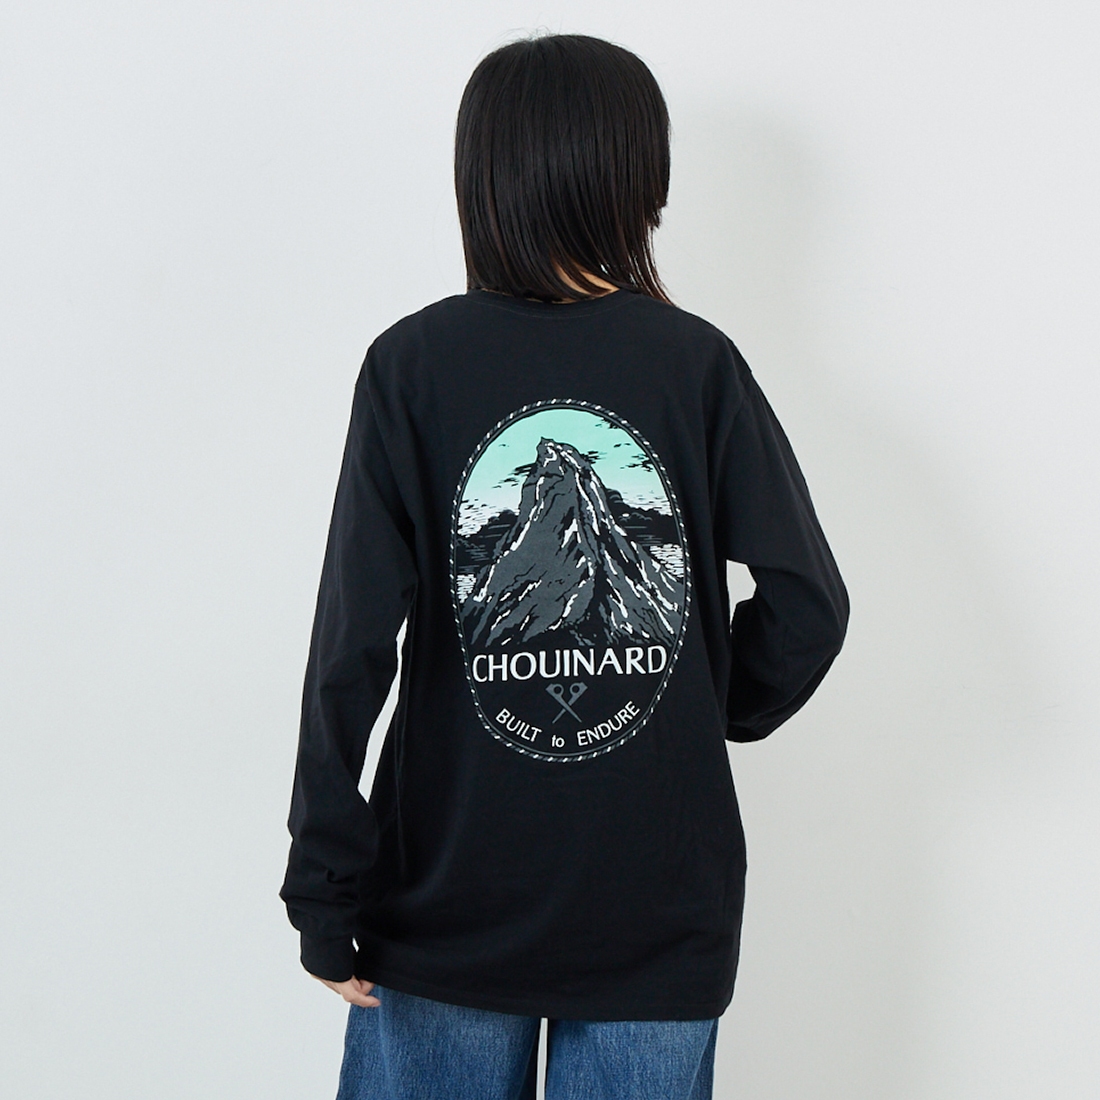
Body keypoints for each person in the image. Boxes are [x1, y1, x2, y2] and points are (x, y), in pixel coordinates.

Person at [279, 32, 848, 1100]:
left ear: (480, 179)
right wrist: (705, 701)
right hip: (657, 905)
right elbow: (809, 604)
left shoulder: (412, 366)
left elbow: (349, 646)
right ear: (642, 182)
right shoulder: (695, 364)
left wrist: (322, 884)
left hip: (442, 899)